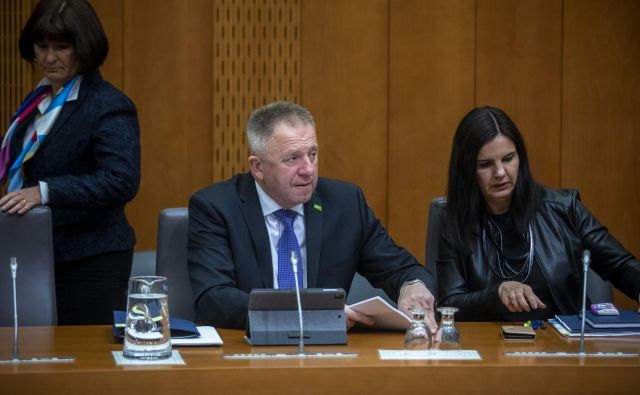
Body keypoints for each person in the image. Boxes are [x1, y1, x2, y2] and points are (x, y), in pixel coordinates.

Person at [188, 101, 436, 330]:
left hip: (329, 355)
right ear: (258, 167)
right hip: (245, 351)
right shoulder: (216, 207)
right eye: (293, 158)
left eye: (313, 154)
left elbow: (400, 268)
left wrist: (412, 286)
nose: (308, 169)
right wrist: (310, 312)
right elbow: (213, 299)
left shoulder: (344, 203)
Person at [0, 0, 140, 325]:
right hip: (31, 249)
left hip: (90, 259)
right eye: (42, 46)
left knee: (82, 362)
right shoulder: (37, 99)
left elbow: (121, 180)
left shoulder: (109, 104)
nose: (49, 58)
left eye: (62, 47)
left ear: (85, 47)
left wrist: (45, 192)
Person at [436, 106, 640, 321]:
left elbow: (620, 265)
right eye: (485, 164)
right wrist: (495, 295)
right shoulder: (455, 222)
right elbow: (449, 304)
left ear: (520, 158)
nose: (500, 172)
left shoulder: (562, 208)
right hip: (492, 346)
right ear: (467, 170)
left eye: (508, 158)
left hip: (564, 344)